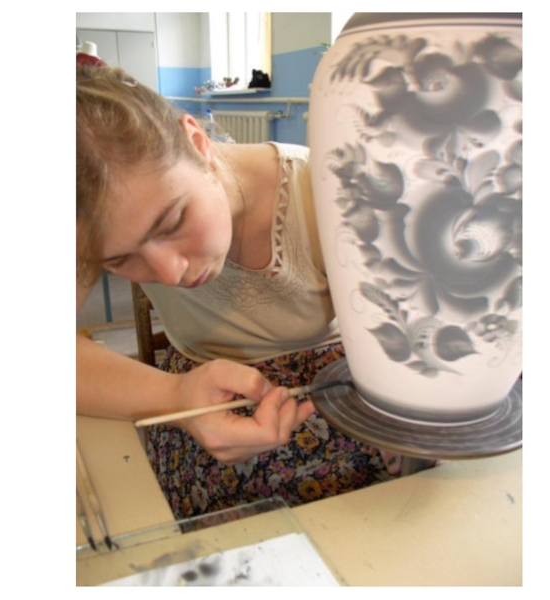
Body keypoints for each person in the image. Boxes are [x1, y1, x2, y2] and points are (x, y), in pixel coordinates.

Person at [76, 64, 399, 519]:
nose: (169, 273)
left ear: (198, 143)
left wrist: (402, 408)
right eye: (118, 261)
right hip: (199, 410)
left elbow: (404, 335)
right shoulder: (82, 217)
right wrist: (175, 397)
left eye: (171, 222)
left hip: (345, 396)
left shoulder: (330, 192)